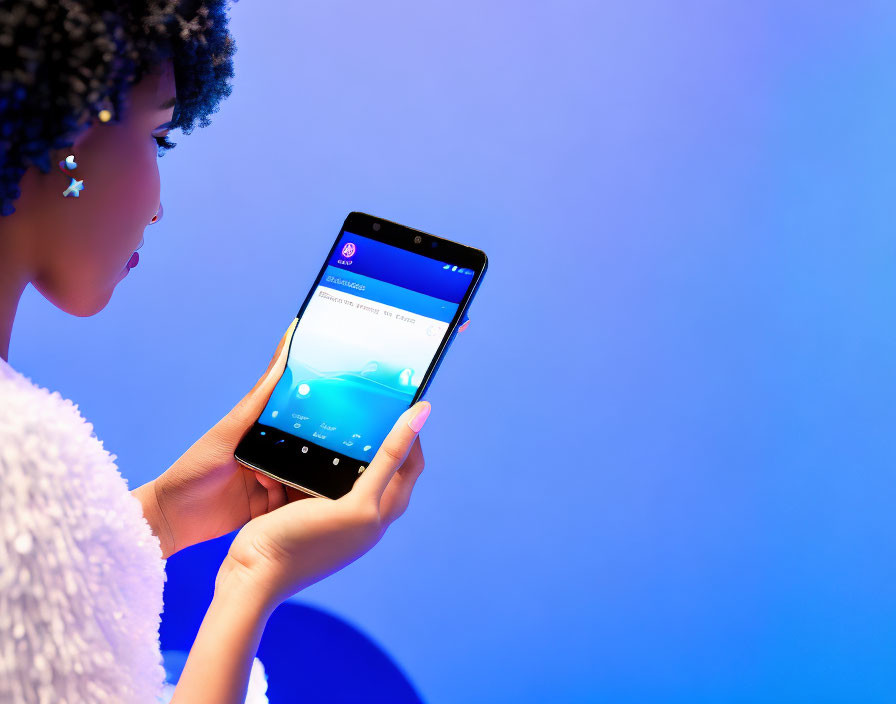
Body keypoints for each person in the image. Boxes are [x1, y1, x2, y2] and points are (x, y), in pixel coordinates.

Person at [0, 1, 470, 702]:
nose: (157, 207)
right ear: (69, 126)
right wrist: (257, 572)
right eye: (158, 136)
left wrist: (165, 511)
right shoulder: (22, 453)